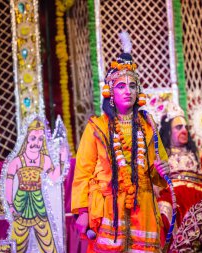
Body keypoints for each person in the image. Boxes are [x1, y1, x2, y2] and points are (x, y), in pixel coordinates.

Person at [71, 31, 170, 252]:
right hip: (109, 207)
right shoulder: (97, 127)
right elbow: (83, 173)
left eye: (132, 86)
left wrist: (163, 170)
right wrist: (82, 211)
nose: (128, 91)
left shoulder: (147, 125)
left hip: (143, 205)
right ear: (110, 92)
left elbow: (157, 171)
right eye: (121, 86)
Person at [5, 118, 67, 253]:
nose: (36, 143)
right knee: (18, 242)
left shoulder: (45, 160)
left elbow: (55, 177)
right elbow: (9, 183)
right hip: (21, 203)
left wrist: (62, 159)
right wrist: (10, 205)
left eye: (40, 139)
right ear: (26, 139)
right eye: (33, 138)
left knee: (47, 240)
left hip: (39, 202)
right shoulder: (16, 161)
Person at [157, 102, 202, 245]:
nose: (184, 130)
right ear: (168, 131)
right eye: (178, 127)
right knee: (163, 207)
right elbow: (155, 183)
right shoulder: (161, 155)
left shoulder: (197, 153)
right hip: (173, 196)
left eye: (186, 127)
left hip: (200, 195)